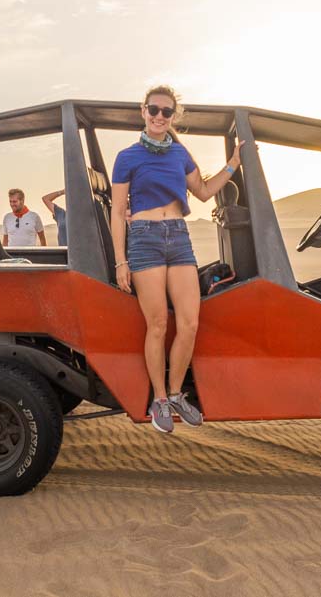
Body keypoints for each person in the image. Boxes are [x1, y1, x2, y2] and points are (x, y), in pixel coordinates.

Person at [111, 85, 246, 433]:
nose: (159, 116)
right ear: (143, 111)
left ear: (173, 117)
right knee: (157, 324)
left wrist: (232, 165)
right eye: (153, 109)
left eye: (166, 112)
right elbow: (116, 213)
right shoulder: (126, 157)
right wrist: (120, 261)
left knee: (189, 323)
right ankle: (158, 399)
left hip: (178, 238)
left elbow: (202, 192)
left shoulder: (180, 155)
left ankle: (174, 395)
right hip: (144, 240)